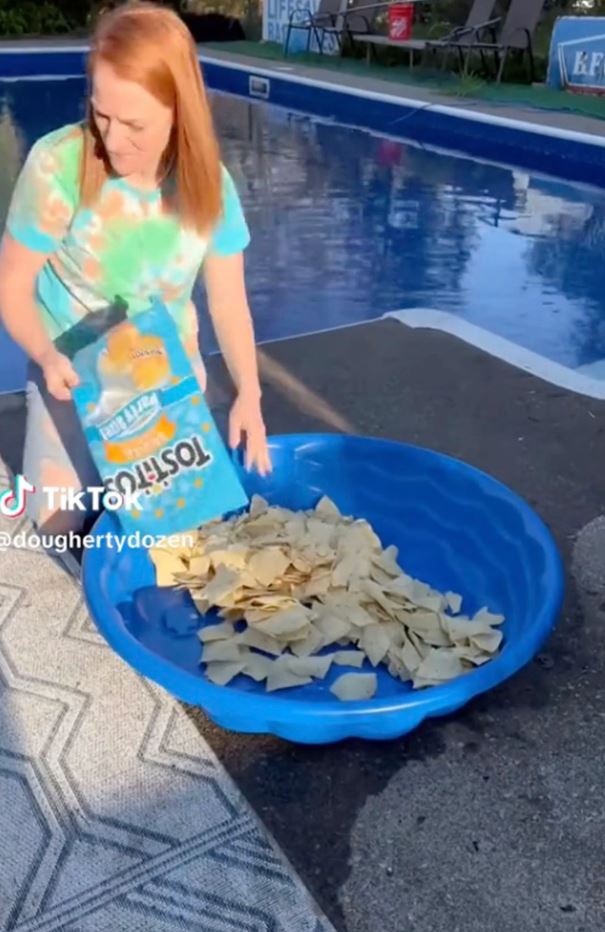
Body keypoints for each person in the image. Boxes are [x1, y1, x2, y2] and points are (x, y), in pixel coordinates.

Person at [0, 1, 271, 575]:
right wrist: (46, 357)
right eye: (102, 116)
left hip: (166, 387)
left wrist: (249, 392)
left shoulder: (210, 187)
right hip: (70, 381)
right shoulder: (58, 166)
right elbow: (11, 285)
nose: (113, 141)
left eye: (135, 125)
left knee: (178, 556)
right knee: (56, 538)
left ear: (180, 111)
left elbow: (228, 303)